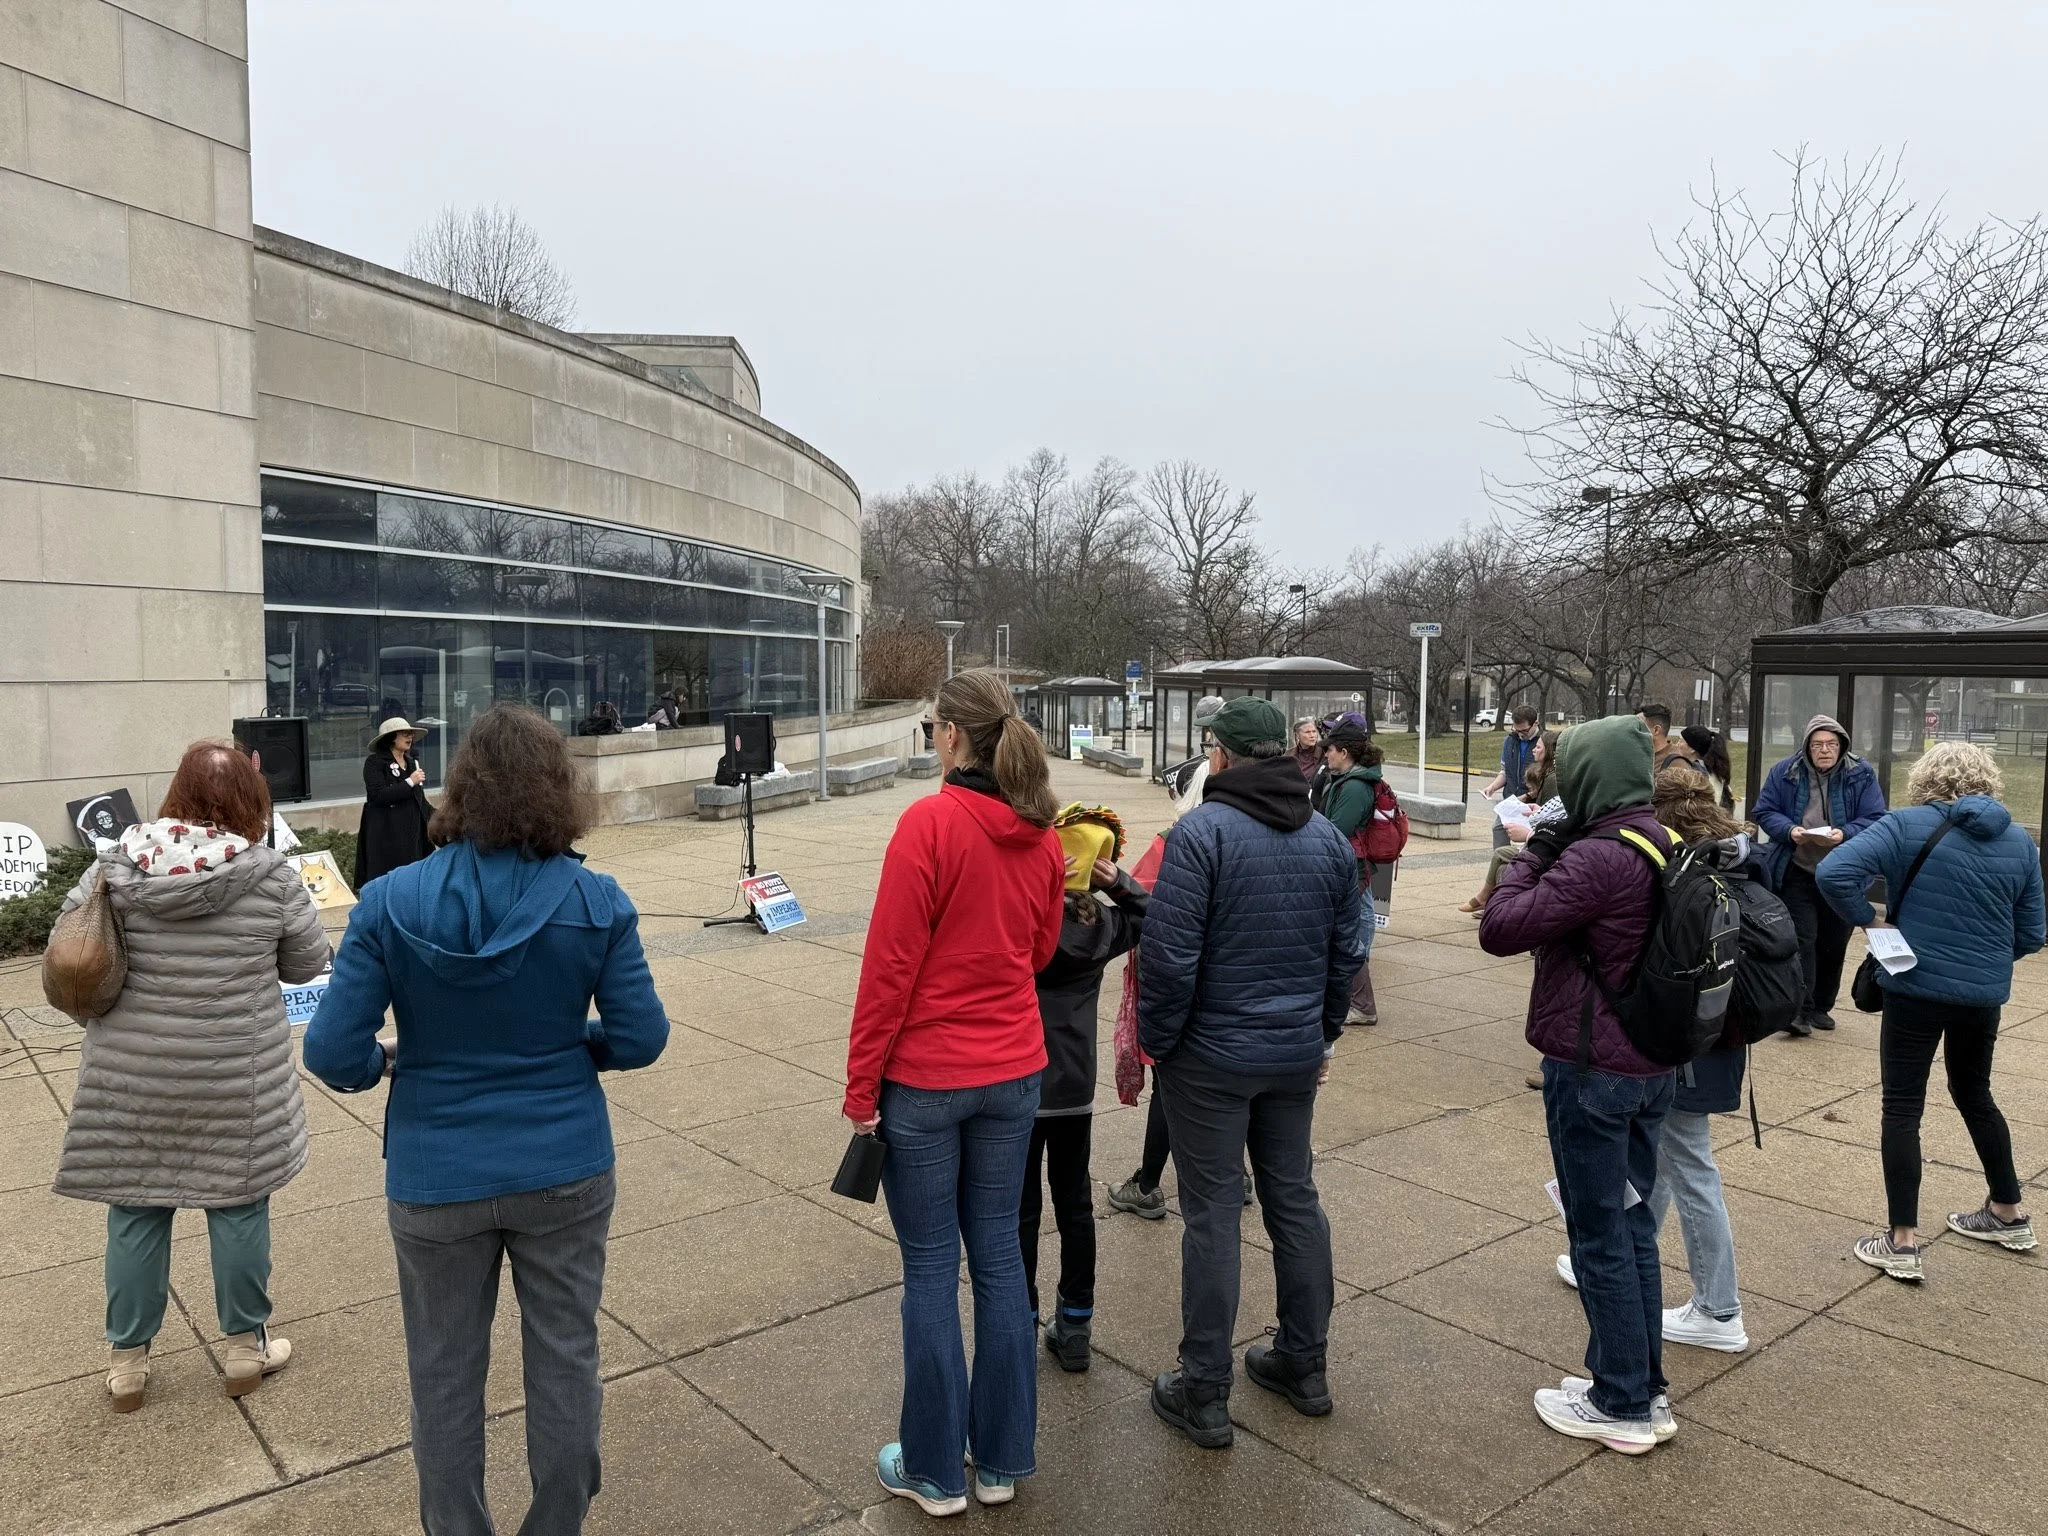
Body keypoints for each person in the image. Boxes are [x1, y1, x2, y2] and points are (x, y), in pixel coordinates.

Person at [305, 705, 669, 1534]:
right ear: (557, 791)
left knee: (442, 1376)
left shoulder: (391, 901)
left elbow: (330, 1053)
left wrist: (384, 1063)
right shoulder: (598, 900)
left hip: (436, 1175)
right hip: (564, 1165)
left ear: (464, 786)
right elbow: (643, 1038)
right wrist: (576, 1048)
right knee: (567, 1360)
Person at [842, 668, 1064, 1516]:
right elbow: (1042, 951)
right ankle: (1003, 1459)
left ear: (949, 735)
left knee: (933, 1268)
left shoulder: (928, 825)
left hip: (928, 1079)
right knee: (1001, 1260)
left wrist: (862, 1086)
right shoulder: (1041, 834)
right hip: (1014, 1071)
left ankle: (935, 1469)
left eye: (933, 722)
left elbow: (888, 969)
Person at [53, 742, 330, 1413]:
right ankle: (243, 1351)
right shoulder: (268, 875)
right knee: (237, 1204)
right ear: (248, 803)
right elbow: (306, 963)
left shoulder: (113, 867)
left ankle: (127, 1367)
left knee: (136, 1209)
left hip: (132, 1076)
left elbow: (69, 948)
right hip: (234, 1076)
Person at [1139, 697, 1367, 1449]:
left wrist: (1161, 1044)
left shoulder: (1201, 835)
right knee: (1294, 1199)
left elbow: (1168, 963)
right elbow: (1347, 954)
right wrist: (1323, 1033)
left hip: (1209, 1057)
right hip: (1292, 1053)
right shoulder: (1329, 840)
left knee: (1210, 1215)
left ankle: (1204, 1385)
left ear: (1224, 757)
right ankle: (1305, 1363)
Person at [1479, 714, 1676, 1455]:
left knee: (1598, 1233)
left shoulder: (1599, 856)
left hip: (1597, 1068)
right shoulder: (1660, 837)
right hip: (1651, 1062)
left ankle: (1622, 1403)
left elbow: (1501, 928)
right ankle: (1638, 1385)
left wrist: (1534, 853)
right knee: (1631, 1231)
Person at [1814, 741, 2045, 1282]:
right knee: (1975, 1094)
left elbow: (1833, 874)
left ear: (1925, 778)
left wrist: (1870, 922)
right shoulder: (2019, 840)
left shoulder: (1906, 825)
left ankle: (1901, 1241)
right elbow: (2033, 933)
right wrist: (1985, 959)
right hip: (1982, 995)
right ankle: (2008, 1211)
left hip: (1914, 985)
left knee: (1902, 1107)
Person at [1556, 763, 1755, 1354]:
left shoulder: (1675, 866)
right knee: (1665, 1153)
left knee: (1690, 1165)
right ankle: (1624, 1244)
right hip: (1716, 1033)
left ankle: (1720, 1309)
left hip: (1681, 1040)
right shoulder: (1729, 855)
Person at [1024, 814, 1148, 1373]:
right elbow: (1155, 914)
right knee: (1073, 1202)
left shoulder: (1025, 917)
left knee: (1018, 1208)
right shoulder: (1102, 926)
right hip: (1074, 1084)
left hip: (1020, 1080)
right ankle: (1076, 1324)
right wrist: (1115, 881)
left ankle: (1016, 1314)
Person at [1753, 714, 1886, 1035]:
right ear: (1807, 747)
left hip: (1843, 873)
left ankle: (1822, 1006)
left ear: (1842, 747)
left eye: (1831, 745)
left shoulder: (1861, 774)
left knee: (1833, 941)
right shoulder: (1784, 772)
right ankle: (1799, 1010)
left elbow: (1875, 817)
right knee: (1803, 939)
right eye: (1817, 745)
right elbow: (1764, 811)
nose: (1824, 750)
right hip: (1797, 868)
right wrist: (1790, 830)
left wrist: (1844, 833)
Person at [1317, 722, 1383, 1025]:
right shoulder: (1350, 780)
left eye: (1329, 749)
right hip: (1351, 867)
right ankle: (1356, 1001)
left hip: (1349, 869)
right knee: (1350, 933)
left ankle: (1362, 1005)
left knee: (1348, 938)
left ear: (1344, 752)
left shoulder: (1354, 786)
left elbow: (1336, 831)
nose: (1326, 754)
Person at [1462, 730, 1561, 916]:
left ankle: (1488, 902)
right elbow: (1506, 771)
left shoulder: (1552, 780)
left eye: (1538, 747)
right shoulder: (1512, 743)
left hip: (1542, 850)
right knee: (1500, 849)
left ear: (1548, 751)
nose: (1534, 750)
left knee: (1504, 862)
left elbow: (1555, 825)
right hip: (1536, 840)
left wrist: (1529, 832)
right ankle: (1487, 900)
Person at [355, 715, 433, 891]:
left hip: (411, 833)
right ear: (391, 738)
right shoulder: (374, 763)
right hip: (387, 834)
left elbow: (419, 798)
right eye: (405, 734)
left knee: (413, 880)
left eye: (411, 734)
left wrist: (440, 818)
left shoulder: (412, 762)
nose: (410, 737)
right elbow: (378, 796)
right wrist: (409, 782)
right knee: (389, 882)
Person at [1483, 706, 1543, 847]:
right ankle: (1501, 861)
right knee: (1498, 828)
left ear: (1535, 723)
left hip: (1533, 800)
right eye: (1517, 730)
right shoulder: (1510, 742)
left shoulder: (1543, 743)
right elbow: (1505, 771)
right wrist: (1492, 787)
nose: (1521, 734)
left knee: (1531, 839)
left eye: (1524, 730)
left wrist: (1530, 794)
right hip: (1512, 799)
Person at [1635, 702, 1700, 773]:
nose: (1634, 730)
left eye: (1639, 726)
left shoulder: (1676, 764)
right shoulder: (1639, 755)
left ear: (1656, 730)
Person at [1683, 725, 1735, 810]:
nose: (1676, 744)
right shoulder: (1717, 775)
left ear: (1692, 749)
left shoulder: (1699, 778)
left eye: (1680, 741)